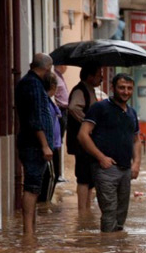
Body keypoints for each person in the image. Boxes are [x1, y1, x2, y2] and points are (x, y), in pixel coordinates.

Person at [77, 73, 141, 232]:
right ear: (113, 88)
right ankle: (107, 250)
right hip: (105, 169)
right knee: (109, 211)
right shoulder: (100, 108)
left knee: (121, 215)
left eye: (129, 88)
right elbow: (83, 134)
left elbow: (136, 140)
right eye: (121, 88)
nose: (125, 92)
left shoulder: (131, 113)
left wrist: (137, 163)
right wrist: (101, 158)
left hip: (126, 169)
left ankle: (117, 251)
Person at [14, 53, 54, 234]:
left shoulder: (30, 83)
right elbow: (35, 118)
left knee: (35, 186)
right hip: (34, 145)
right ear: (46, 68)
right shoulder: (33, 85)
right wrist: (45, 145)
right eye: (50, 68)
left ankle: (31, 229)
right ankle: (28, 232)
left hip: (31, 144)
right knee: (32, 186)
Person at [67, 62, 102, 211]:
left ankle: (87, 210)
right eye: (99, 75)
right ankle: (82, 211)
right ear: (90, 76)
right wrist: (87, 122)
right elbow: (73, 107)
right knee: (83, 177)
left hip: (88, 142)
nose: (101, 78)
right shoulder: (80, 91)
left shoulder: (90, 90)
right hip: (81, 142)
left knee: (89, 177)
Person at [38, 73, 63, 202]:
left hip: (53, 144)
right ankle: (44, 206)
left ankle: (45, 205)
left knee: (52, 176)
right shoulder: (45, 103)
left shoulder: (48, 102)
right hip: (50, 145)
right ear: (53, 86)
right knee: (50, 177)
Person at [53, 65, 69, 182]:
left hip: (64, 111)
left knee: (60, 141)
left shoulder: (60, 77)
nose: (66, 68)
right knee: (57, 142)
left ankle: (58, 173)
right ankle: (56, 174)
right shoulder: (55, 77)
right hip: (60, 111)